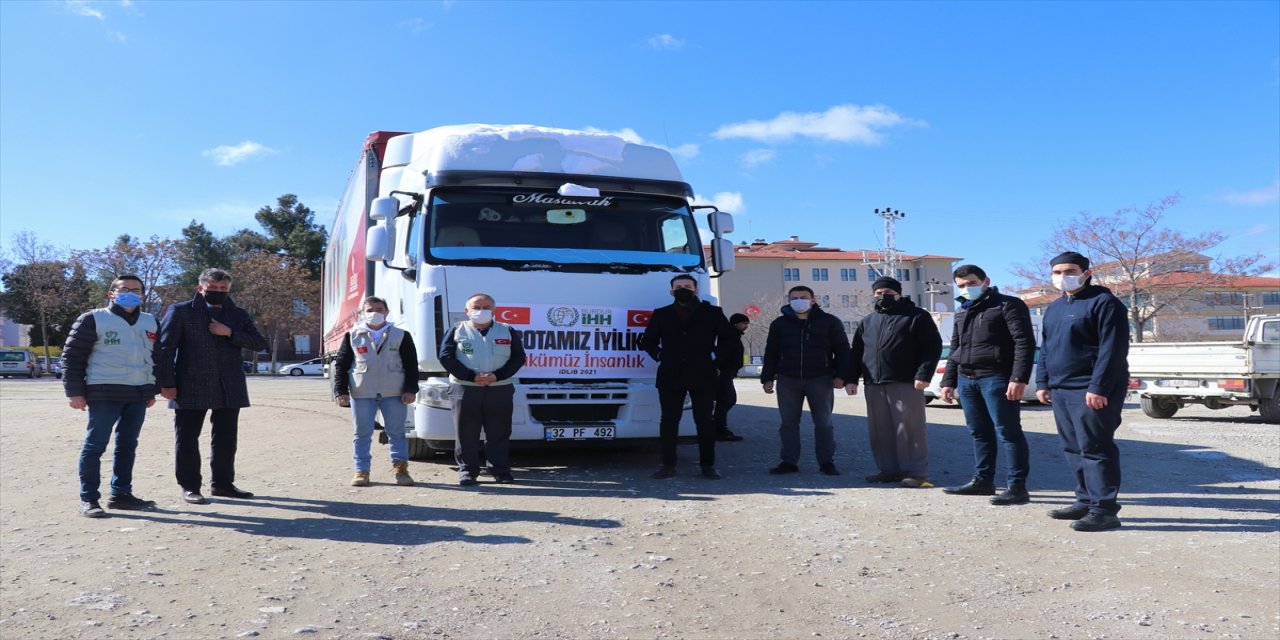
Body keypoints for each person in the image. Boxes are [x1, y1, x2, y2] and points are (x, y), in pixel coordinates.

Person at [1036, 251, 1130, 532]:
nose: (1063, 277)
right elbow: (1046, 348)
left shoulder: (1104, 303)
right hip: (1061, 388)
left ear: (1087, 273)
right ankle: (1085, 500)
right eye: (1057, 272)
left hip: (1091, 389)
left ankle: (1104, 509)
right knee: (1073, 447)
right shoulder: (1054, 308)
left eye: (1070, 271)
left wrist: (1098, 386)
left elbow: (1111, 350)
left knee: (1095, 447)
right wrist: (1043, 383)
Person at [158, 268, 268, 505]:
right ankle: (190, 487)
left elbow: (259, 343)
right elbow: (165, 349)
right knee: (187, 438)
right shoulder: (180, 311)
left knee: (226, 439)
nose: (218, 292)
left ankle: (223, 484)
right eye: (213, 288)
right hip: (190, 385)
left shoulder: (237, 314)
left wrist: (229, 332)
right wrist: (166, 383)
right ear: (200, 288)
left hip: (229, 386)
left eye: (223, 289)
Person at [63, 275, 162, 517]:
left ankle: (121, 495)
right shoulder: (93, 319)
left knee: (128, 445)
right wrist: (75, 392)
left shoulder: (151, 322)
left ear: (143, 295)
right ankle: (89, 499)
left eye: (136, 290)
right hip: (104, 392)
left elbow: (156, 358)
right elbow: (72, 357)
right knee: (95, 446)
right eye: (124, 289)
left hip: (138, 394)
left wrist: (151, 390)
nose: (130, 293)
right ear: (112, 293)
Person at [939, 264, 1037, 505]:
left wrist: (1018, 378)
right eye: (961, 285)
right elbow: (956, 347)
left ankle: (1017, 487)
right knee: (979, 432)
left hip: (997, 378)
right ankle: (983, 481)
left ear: (985, 281)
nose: (967, 288)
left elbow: (1024, 342)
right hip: (967, 379)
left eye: (972, 283)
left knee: (1008, 432)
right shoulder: (962, 310)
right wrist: (948, 381)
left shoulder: (1007, 305)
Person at [848, 276, 943, 488]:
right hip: (874, 382)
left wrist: (923, 375)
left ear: (899, 294)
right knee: (880, 429)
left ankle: (917, 473)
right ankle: (889, 470)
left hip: (906, 382)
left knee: (909, 428)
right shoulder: (867, 321)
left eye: (888, 293)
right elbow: (856, 353)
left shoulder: (917, 316)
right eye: (878, 294)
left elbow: (932, 347)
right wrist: (851, 378)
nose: (883, 297)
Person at [640, 275, 732, 479]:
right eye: (679, 287)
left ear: (696, 290)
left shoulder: (712, 312)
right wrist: (659, 354)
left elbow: (729, 339)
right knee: (669, 421)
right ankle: (668, 465)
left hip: (703, 374)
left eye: (688, 286)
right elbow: (648, 341)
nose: (683, 289)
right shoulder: (661, 314)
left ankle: (707, 466)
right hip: (670, 375)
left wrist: (715, 359)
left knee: (705, 421)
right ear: (671, 291)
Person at [760, 286, 852, 475]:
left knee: (824, 423)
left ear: (813, 300)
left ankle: (826, 462)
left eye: (803, 297)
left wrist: (842, 375)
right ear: (788, 300)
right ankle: (789, 461)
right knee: (788, 423)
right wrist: (767, 377)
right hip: (788, 379)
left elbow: (842, 350)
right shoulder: (779, 324)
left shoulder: (829, 322)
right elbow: (771, 352)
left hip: (820, 378)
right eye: (794, 298)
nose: (799, 300)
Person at [439, 293, 526, 486]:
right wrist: (471, 376)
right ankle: (467, 472)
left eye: (487, 307)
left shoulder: (507, 330)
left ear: (494, 311)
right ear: (467, 311)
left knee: (499, 432)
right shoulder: (457, 330)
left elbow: (518, 358)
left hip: (500, 388)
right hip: (465, 388)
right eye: (477, 307)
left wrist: (498, 376)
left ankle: (500, 471)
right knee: (466, 432)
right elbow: (446, 356)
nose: (482, 311)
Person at [332, 296, 420, 487]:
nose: (375, 314)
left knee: (396, 433)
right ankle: (361, 471)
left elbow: (411, 364)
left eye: (379, 310)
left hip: (394, 392)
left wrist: (411, 389)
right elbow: (342, 365)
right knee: (362, 433)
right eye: (370, 310)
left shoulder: (400, 335)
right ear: (363, 313)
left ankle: (401, 470)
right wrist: (340, 391)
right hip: (362, 391)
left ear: (386, 312)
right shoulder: (352, 335)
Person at [711, 313, 751, 442]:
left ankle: (716, 425)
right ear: (736, 323)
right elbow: (723, 353)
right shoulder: (731, 336)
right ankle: (719, 429)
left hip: (727, 373)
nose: (746, 326)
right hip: (724, 374)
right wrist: (716, 367)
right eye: (744, 323)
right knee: (726, 400)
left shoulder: (732, 335)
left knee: (728, 400)